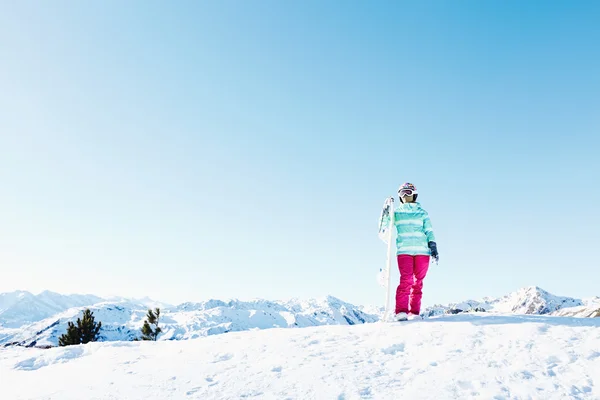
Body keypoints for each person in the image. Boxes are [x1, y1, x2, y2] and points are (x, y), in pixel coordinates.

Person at [384, 182, 438, 321]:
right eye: (402, 193)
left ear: (414, 194)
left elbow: (429, 231)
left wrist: (433, 246)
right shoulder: (397, 213)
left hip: (422, 252)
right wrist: (386, 211)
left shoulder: (422, 213)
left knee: (418, 282)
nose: (405, 195)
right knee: (406, 279)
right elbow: (385, 225)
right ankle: (401, 312)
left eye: (408, 192)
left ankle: (414, 313)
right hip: (404, 251)